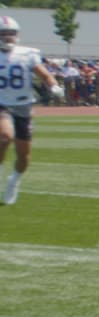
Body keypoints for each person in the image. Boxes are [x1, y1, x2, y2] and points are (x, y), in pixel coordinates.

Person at [0, 15, 63, 205]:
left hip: (23, 104)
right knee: (4, 136)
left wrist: (54, 86)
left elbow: (44, 74)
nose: (9, 37)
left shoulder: (27, 53)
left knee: (24, 156)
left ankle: (14, 181)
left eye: (12, 33)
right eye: (4, 33)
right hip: (2, 103)